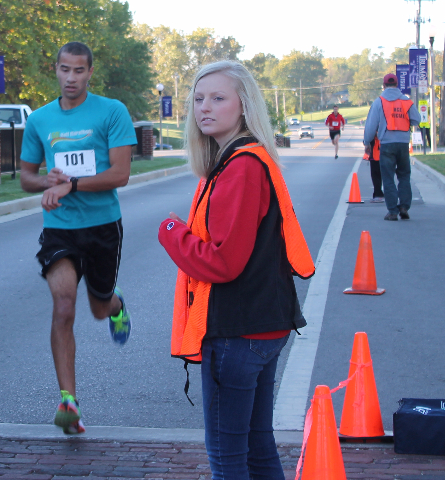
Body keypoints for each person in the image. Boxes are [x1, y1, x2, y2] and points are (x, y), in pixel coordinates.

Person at [157, 60, 315, 480]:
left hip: (237, 332)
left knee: (228, 456)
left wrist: (172, 232)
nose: (204, 107)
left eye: (218, 98)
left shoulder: (241, 167)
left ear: (243, 105)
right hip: (262, 325)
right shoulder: (245, 159)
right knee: (257, 447)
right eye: (198, 99)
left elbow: (224, 262)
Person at [19, 41, 137, 435]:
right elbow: (26, 177)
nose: (71, 78)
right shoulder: (40, 119)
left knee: (98, 309)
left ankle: (115, 303)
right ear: (55, 69)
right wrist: (47, 181)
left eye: (79, 70)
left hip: (103, 226)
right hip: (59, 228)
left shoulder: (112, 111)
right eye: (64, 69)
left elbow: (120, 174)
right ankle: (68, 401)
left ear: (90, 72)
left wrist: (71, 184)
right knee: (64, 305)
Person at [363, 73, 420, 221]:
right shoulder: (406, 101)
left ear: (384, 85)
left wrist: (367, 142)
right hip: (403, 144)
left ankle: (393, 211)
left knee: (388, 178)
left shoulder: (379, 102)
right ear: (397, 85)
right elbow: (416, 119)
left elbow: (371, 126)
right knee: (404, 176)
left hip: (386, 144)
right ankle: (404, 207)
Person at [365, 137, 385, 203]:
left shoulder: (375, 130)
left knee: (375, 174)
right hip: (386, 151)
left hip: (376, 152)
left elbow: (369, 134)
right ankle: (379, 193)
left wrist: (366, 143)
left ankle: (378, 194)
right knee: (383, 174)